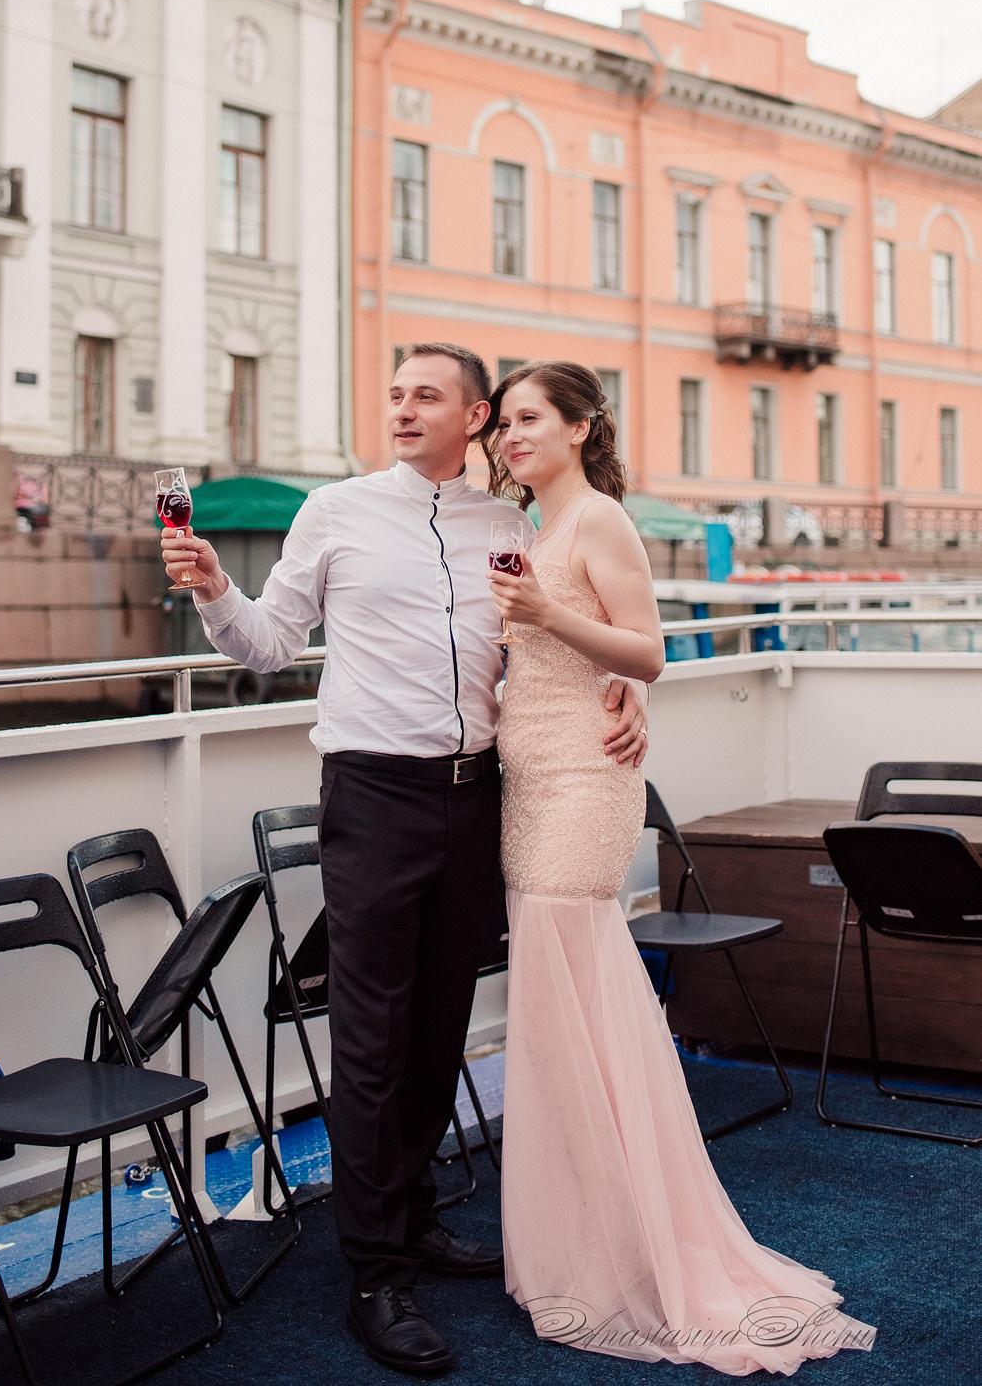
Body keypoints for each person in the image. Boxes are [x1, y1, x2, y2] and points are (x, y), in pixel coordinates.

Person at [161, 343, 648, 1376]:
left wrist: (627, 689)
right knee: (373, 1037)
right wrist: (213, 590)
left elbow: (561, 644)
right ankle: (373, 1271)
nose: (400, 409)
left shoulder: (510, 526)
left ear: (475, 416)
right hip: (372, 798)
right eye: (392, 394)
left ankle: (417, 1212)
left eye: (424, 395)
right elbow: (267, 643)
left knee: (440, 1027)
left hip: (480, 797)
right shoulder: (332, 512)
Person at [484, 361, 875, 1375]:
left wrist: (544, 620)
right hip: (525, 786)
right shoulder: (526, 531)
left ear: (577, 427)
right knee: (553, 1011)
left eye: (527, 418)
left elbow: (645, 653)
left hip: (582, 787)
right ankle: (576, 1232)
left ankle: (631, 1247)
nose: (509, 435)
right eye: (503, 422)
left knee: (581, 1001)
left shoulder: (599, 521)